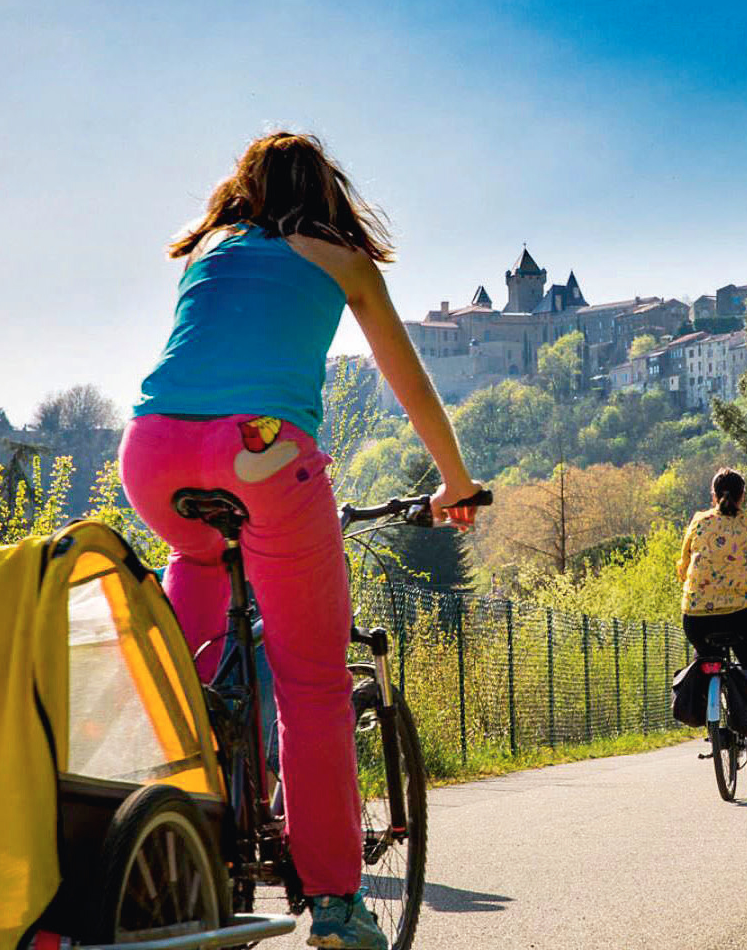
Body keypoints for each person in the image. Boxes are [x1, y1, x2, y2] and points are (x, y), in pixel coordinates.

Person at [120, 132, 480, 950]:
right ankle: (337, 906)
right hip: (263, 456)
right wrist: (454, 482)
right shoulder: (343, 257)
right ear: (327, 193)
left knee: (186, 668)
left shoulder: (210, 247)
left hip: (152, 456)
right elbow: (408, 380)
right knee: (314, 687)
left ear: (246, 188)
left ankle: (175, 832)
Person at [676, 468, 747, 765]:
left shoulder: (699, 522)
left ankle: (713, 724)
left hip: (698, 616)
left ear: (713, 496)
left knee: (706, 661)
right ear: (743, 496)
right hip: (744, 614)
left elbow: (684, 564)